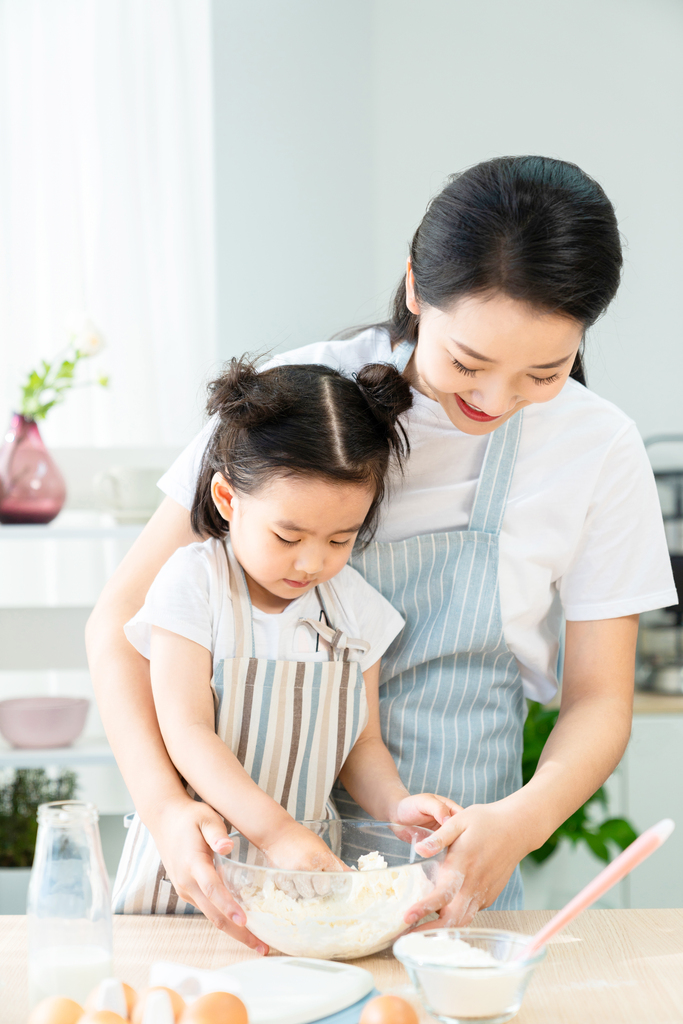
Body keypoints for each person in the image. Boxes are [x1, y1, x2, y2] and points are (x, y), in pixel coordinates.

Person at [87, 155, 676, 949]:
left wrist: (520, 822)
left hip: (436, 869)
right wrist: (163, 805)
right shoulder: (298, 399)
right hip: (241, 854)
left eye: (543, 372)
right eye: (466, 363)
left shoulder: (595, 448)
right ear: (413, 287)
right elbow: (123, 620)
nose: (492, 403)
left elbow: (600, 700)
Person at [111, 358, 459, 916]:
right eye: (287, 535)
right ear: (229, 501)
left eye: (341, 539)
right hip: (191, 877)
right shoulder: (194, 584)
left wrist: (397, 804)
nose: (313, 562)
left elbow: (361, 747)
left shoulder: (358, 611)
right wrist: (276, 834)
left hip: (303, 888)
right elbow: (186, 729)